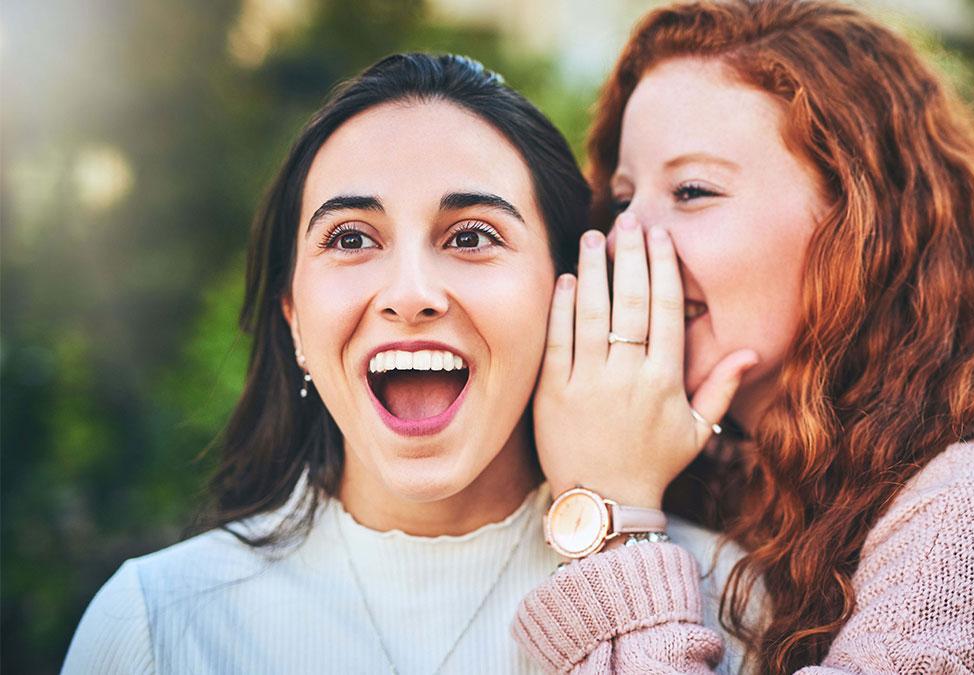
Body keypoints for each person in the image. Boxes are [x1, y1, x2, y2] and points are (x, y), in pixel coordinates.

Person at [512, 1, 974, 673]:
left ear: (859, 227)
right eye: (623, 198)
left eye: (692, 191)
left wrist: (614, 517)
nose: (621, 238)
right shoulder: (742, 483)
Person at [61, 53, 744, 674]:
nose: (410, 293)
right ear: (294, 317)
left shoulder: (728, 603)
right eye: (351, 238)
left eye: (471, 236)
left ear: (569, 292)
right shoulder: (156, 625)